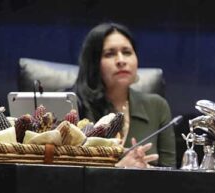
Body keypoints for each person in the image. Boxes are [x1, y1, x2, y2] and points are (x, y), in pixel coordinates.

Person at [75, 22, 176, 168]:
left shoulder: (157, 106)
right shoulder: (75, 108)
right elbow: (65, 174)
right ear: (93, 63)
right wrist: (120, 169)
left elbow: (171, 173)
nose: (121, 60)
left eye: (127, 52)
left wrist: (147, 169)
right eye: (110, 54)